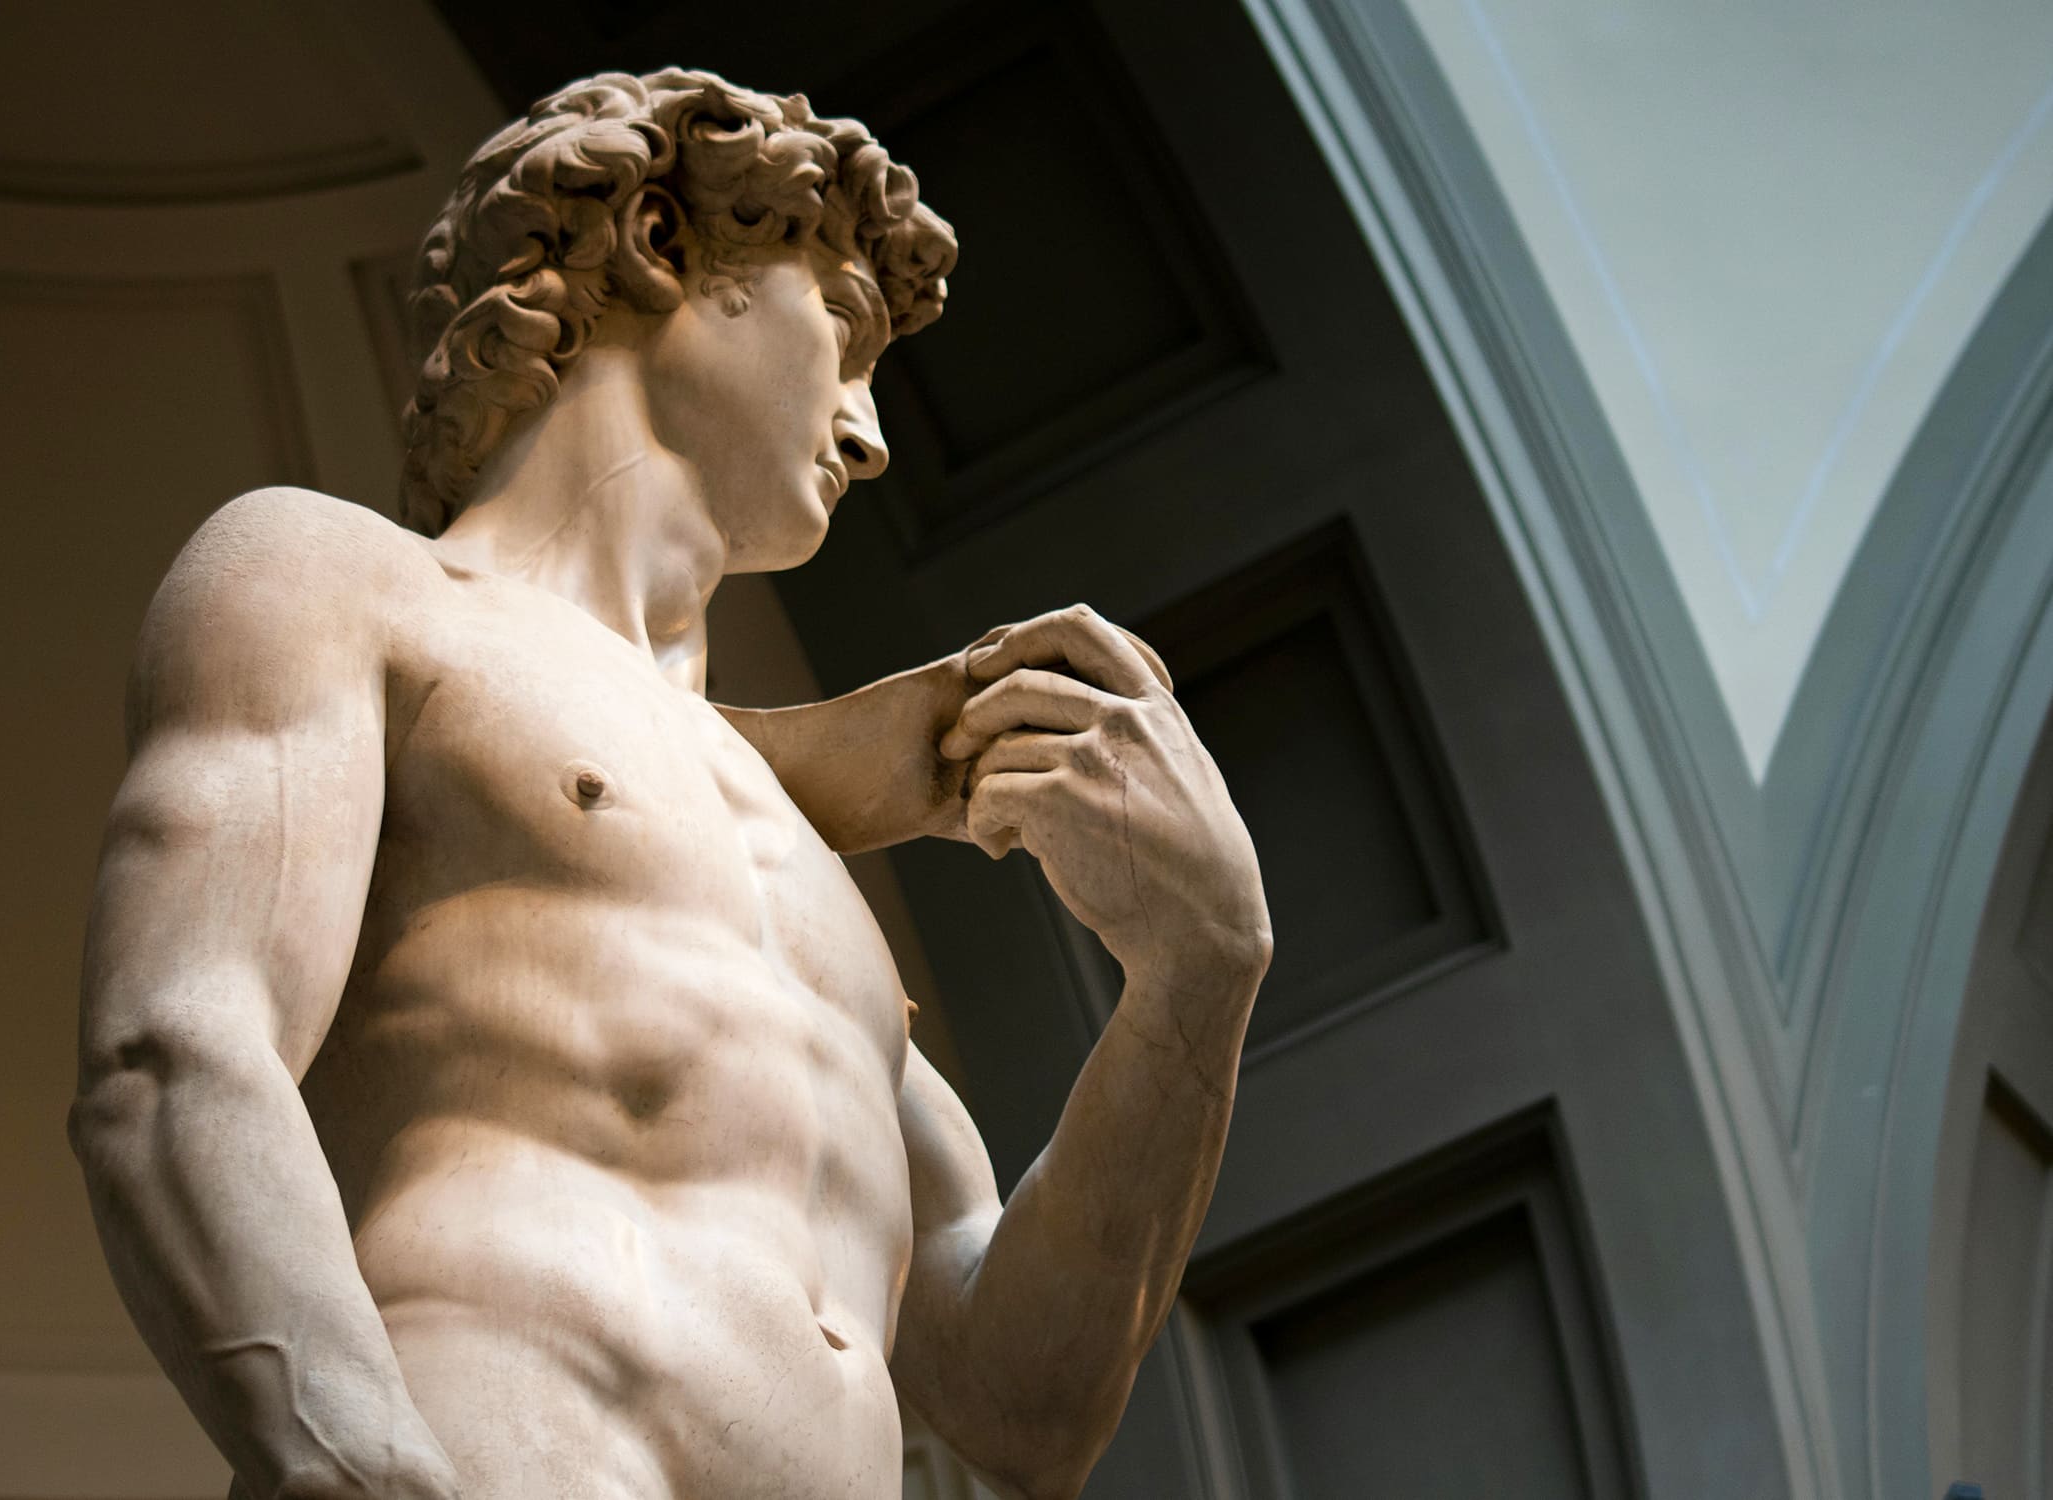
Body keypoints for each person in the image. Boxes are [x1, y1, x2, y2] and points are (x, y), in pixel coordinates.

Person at [71, 69, 1270, 1500]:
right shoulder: (344, 586)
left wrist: (1201, 974)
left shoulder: (806, 875)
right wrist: (355, 1467)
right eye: (845, 329)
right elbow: (181, 1046)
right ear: (656, 239)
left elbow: (1023, 1408)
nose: (871, 433)